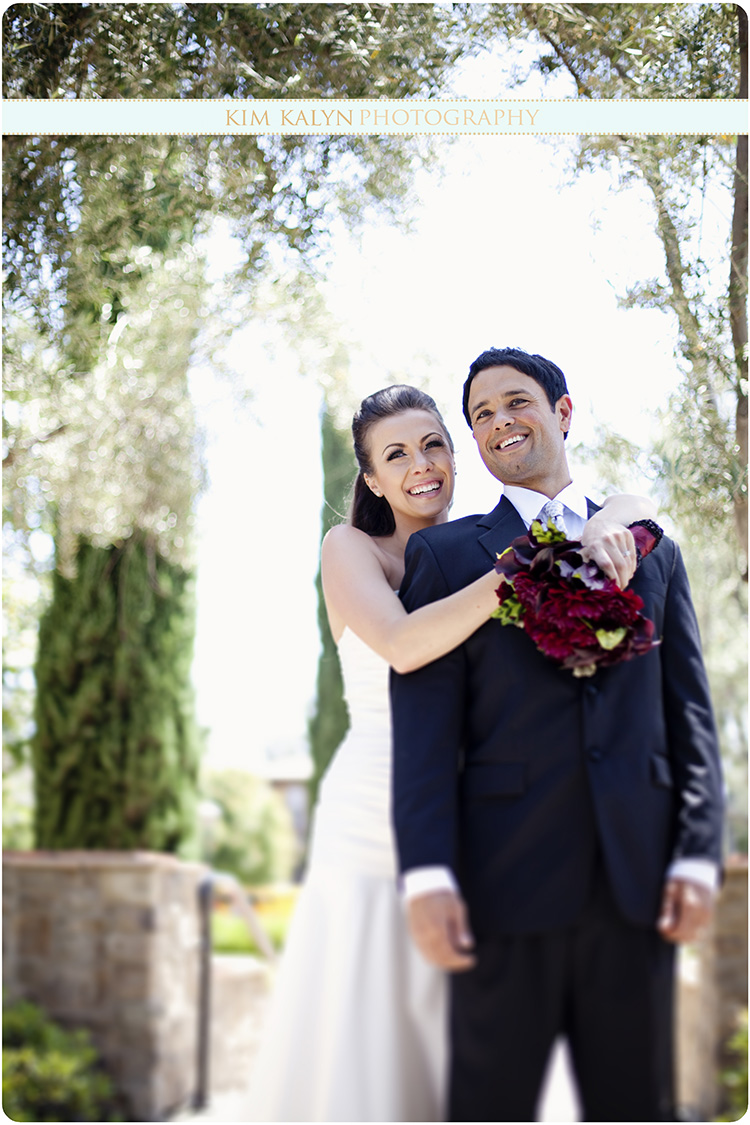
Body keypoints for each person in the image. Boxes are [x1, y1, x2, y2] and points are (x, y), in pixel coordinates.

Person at [249, 383, 660, 1123]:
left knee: (483, 1041)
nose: (421, 466)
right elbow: (405, 646)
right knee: (368, 1043)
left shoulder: (478, 539)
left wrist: (620, 512)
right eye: (396, 455)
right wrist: (522, 568)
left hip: (476, 818)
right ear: (371, 478)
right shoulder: (352, 548)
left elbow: (605, 507)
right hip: (373, 815)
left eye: (434, 444)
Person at [390, 348, 725, 1123]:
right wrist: (427, 872)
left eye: (517, 401)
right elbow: (426, 728)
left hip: (637, 883)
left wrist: (698, 855)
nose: (500, 421)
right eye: (481, 415)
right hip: (501, 884)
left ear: (562, 412)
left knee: (636, 1105)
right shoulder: (445, 556)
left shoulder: (654, 551)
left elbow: (691, 717)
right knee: (489, 1105)